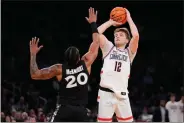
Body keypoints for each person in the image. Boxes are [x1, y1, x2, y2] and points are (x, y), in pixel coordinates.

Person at [29, 7, 99, 122]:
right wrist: (93, 23)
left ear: (65, 59)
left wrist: (33, 55)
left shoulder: (59, 69)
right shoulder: (86, 63)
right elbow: (96, 42)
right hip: (81, 110)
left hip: (64, 109)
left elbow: (34, 74)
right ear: (79, 57)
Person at [97, 8, 139, 122]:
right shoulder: (108, 48)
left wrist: (128, 18)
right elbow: (96, 33)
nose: (117, 36)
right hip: (106, 93)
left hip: (122, 95)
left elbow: (135, 36)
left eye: (121, 35)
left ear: (127, 40)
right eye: (116, 35)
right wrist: (110, 22)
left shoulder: (129, 53)